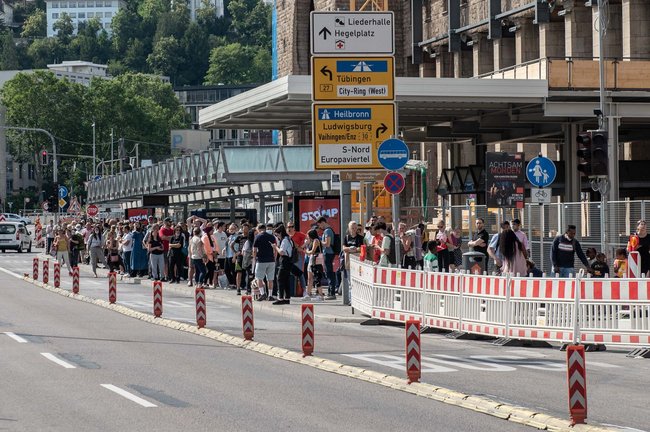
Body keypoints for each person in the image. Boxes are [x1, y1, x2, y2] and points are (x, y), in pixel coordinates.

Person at [253, 223, 276, 301]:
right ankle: (270, 295)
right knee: (270, 279)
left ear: (258, 229)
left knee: (259, 278)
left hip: (261, 260)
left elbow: (254, 250)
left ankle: (263, 294)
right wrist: (274, 258)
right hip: (271, 260)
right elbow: (275, 248)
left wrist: (254, 258)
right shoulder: (272, 237)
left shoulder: (258, 237)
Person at [316, 216, 337, 300]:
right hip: (327, 253)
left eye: (320, 225)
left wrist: (320, 242)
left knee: (329, 273)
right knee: (328, 273)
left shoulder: (328, 231)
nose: (320, 227)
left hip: (328, 253)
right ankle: (330, 292)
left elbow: (327, 244)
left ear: (323, 222)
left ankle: (331, 293)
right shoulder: (327, 231)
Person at [272, 225, 293, 305]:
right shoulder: (288, 239)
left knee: (280, 279)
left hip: (285, 260)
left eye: (277, 235)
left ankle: (280, 298)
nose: (277, 237)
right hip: (288, 260)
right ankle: (287, 298)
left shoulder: (285, 240)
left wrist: (275, 247)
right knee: (286, 280)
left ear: (280, 233)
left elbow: (281, 252)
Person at [287, 222, 308, 298]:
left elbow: (308, 239)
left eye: (291, 227)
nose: (289, 228)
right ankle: (291, 290)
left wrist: (302, 247)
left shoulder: (299, 234)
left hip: (297, 256)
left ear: (294, 228)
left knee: (299, 272)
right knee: (288, 273)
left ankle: (304, 290)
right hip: (288, 256)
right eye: (288, 227)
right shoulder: (286, 236)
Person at [305, 229, 325, 300]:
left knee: (317, 278)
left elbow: (313, 251)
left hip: (316, 260)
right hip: (312, 260)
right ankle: (308, 293)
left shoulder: (316, 240)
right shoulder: (311, 241)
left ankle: (320, 295)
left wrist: (307, 251)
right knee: (310, 278)